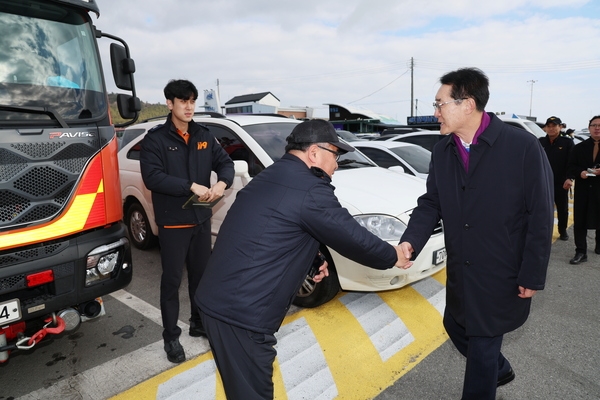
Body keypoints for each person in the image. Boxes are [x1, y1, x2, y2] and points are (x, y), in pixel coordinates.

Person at [195, 119, 412, 399]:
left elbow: (276, 228)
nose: (336, 163)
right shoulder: (309, 188)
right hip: (241, 315)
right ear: (313, 153)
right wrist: (392, 255)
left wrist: (313, 258)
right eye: (335, 155)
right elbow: (350, 235)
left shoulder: (274, 175)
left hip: (222, 302)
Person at [398, 67, 554, 400]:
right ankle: (499, 368)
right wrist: (410, 240)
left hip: (503, 271)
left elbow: (540, 214)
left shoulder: (521, 146)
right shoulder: (443, 151)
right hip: (462, 268)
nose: (435, 111)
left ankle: (489, 370)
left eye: (440, 104)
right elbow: (431, 202)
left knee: (481, 352)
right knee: (454, 326)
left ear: (467, 104)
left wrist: (533, 273)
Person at [140, 79, 234, 364]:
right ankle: (171, 337)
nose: (189, 106)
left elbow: (225, 163)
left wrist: (222, 183)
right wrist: (190, 186)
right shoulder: (155, 139)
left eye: (192, 101)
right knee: (171, 282)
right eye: (183, 101)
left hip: (201, 220)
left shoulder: (204, 135)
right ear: (170, 104)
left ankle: (198, 322)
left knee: (201, 278)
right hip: (173, 223)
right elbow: (152, 177)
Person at [566, 115, 600, 264]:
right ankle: (581, 251)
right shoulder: (579, 147)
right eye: (594, 125)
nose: (597, 128)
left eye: (599, 125)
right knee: (580, 222)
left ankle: (599, 246)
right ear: (589, 128)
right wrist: (580, 172)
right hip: (583, 190)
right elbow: (571, 166)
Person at [539, 116, 574, 241]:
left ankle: (562, 230)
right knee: (543, 209)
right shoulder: (540, 142)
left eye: (554, 126)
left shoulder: (567, 142)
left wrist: (570, 178)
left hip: (561, 182)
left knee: (562, 209)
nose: (551, 128)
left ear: (560, 127)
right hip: (543, 182)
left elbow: (572, 162)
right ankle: (544, 231)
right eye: (549, 126)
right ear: (545, 128)